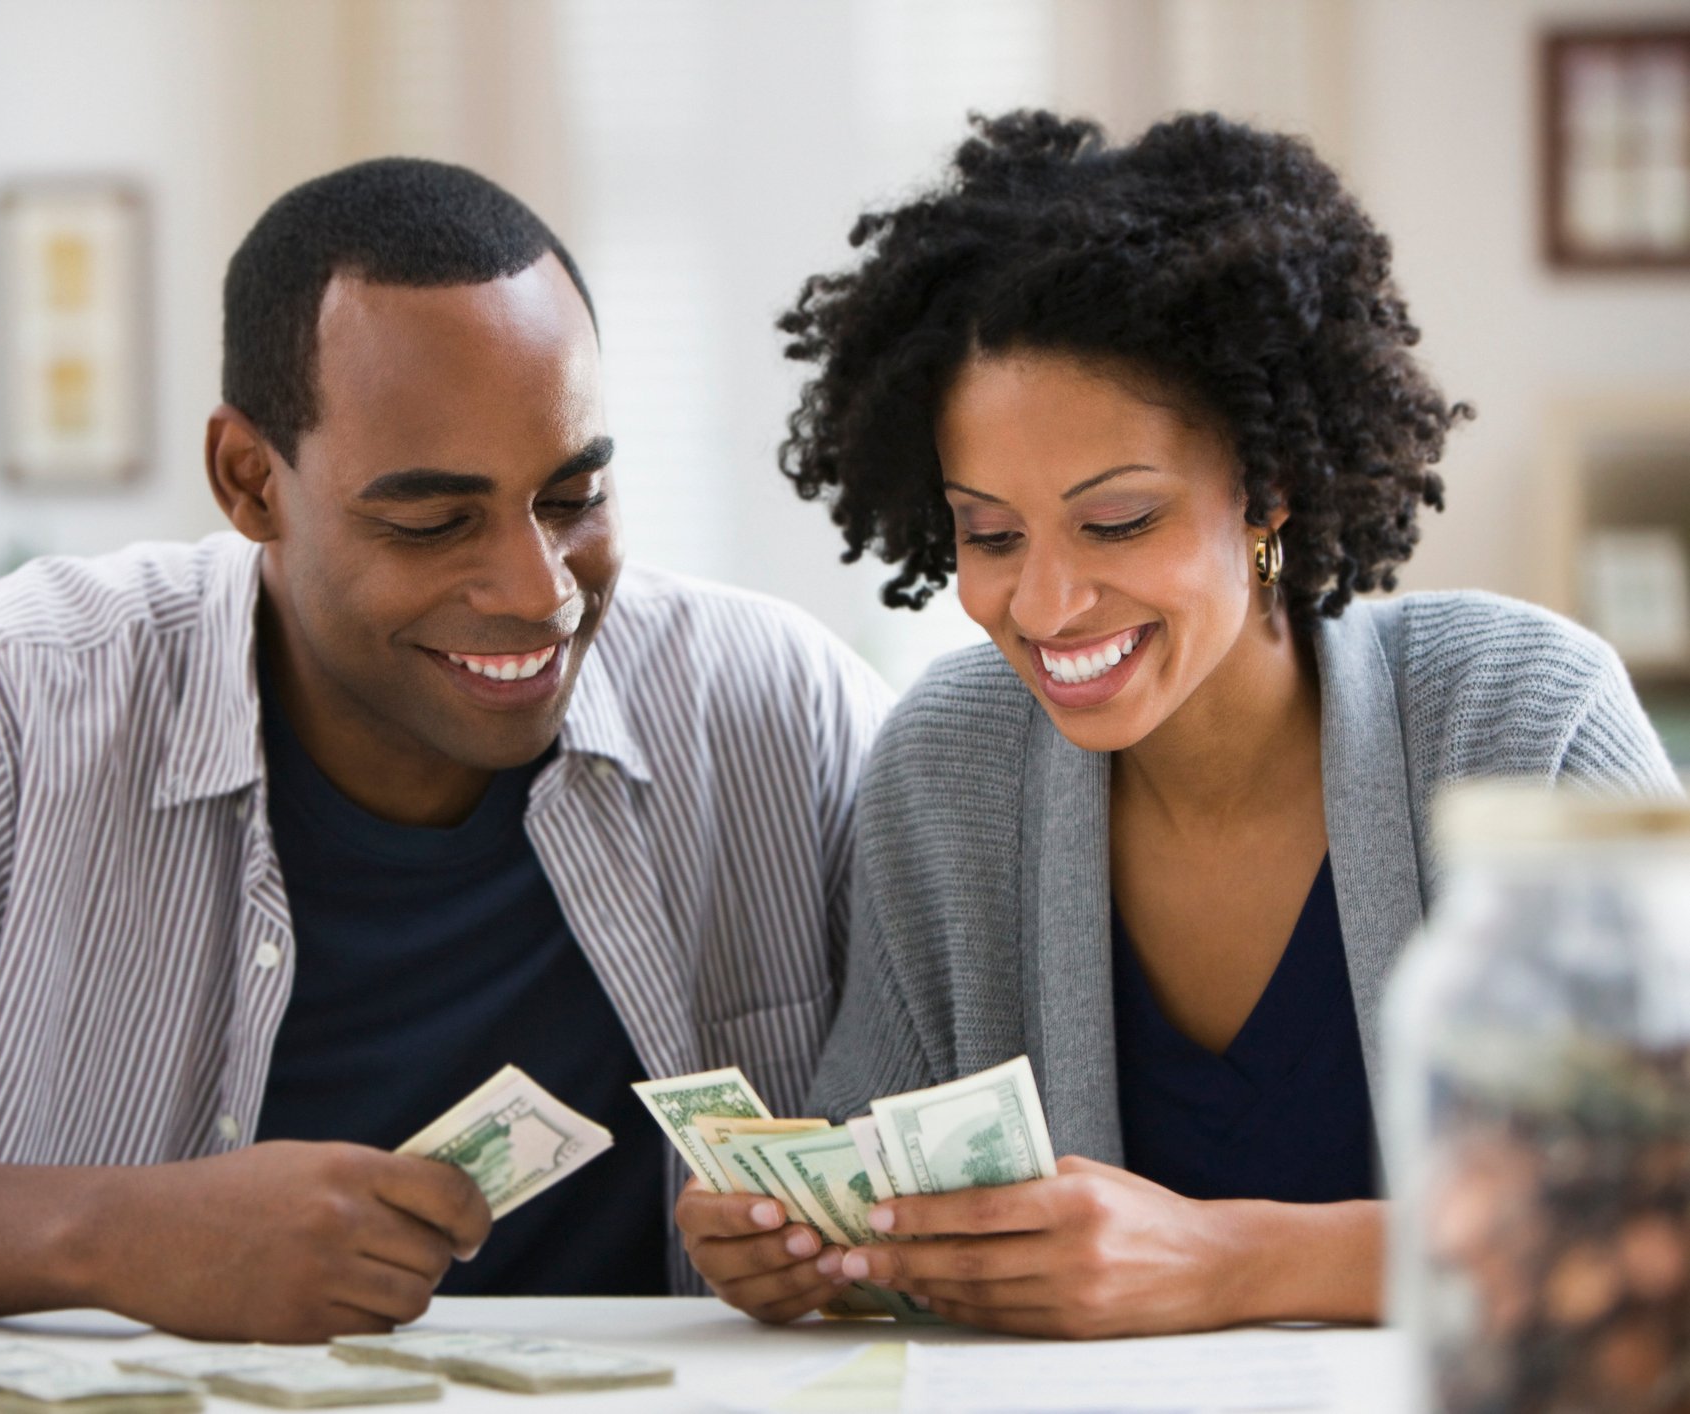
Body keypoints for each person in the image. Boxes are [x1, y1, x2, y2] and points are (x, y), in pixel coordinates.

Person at [0, 159, 891, 1339]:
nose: (534, 589)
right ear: (250, 481)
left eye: (573, 497)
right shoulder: (3, 705)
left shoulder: (777, 707)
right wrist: (110, 1235)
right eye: (432, 520)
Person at [677, 111, 1678, 1336]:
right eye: (990, 535)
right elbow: (884, 1202)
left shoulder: (1519, 714)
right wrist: (800, 1254)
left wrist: (1234, 1262)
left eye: (1118, 524)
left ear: (1266, 491)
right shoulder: (948, 766)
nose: (1042, 603)